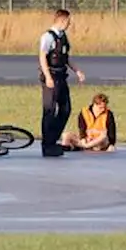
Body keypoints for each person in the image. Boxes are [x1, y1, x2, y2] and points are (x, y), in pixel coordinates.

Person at [38, 9, 85, 157]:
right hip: (51, 77)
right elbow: (42, 57)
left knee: (66, 109)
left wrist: (77, 71)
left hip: (61, 76)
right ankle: (47, 144)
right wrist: (48, 77)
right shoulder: (48, 37)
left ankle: (53, 139)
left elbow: (65, 57)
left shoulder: (63, 37)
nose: (69, 25)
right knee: (49, 111)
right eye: (68, 22)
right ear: (62, 21)